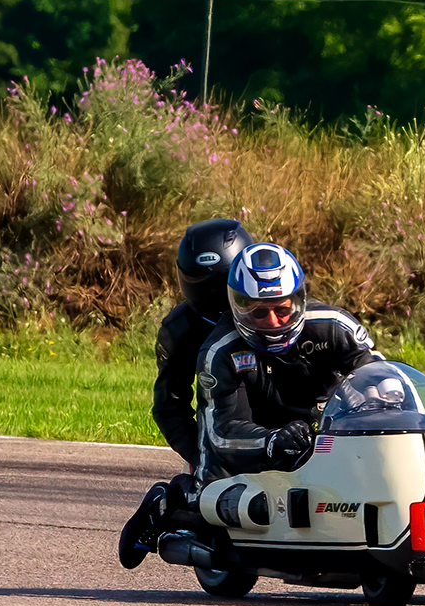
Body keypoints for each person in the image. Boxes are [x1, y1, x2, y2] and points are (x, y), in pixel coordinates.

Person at [118, 243, 381, 567]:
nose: (272, 321)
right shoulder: (219, 351)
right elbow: (222, 432)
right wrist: (271, 441)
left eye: (281, 310)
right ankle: (170, 501)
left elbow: (378, 377)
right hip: (252, 435)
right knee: (227, 498)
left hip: (314, 429)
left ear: (298, 301)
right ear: (239, 308)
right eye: (259, 311)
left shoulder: (335, 326)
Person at [152, 219, 254, 468]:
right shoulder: (179, 329)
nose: (214, 296)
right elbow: (170, 406)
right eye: (200, 285)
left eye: (222, 285)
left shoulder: (273, 316)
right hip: (222, 446)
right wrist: (201, 457)